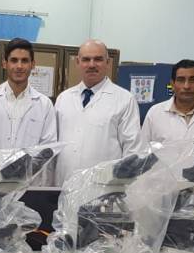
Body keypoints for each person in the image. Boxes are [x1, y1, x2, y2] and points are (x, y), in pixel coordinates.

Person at [54, 39, 143, 186]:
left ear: (108, 62)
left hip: (103, 189)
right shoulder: (63, 98)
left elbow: (133, 151)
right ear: (77, 62)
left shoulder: (125, 100)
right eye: (86, 59)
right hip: (63, 185)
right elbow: (54, 147)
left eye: (98, 59)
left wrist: (120, 188)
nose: (92, 65)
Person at [0, 38, 57, 151]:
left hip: (30, 164)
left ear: (32, 64)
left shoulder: (44, 105)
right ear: (4, 63)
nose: (19, 66)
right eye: (14, 60)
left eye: (24, 61)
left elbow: (48, 148)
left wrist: (27, 162)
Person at [141, 59, 194, 144]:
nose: (186, 86)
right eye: (181, 80)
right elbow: (143, 149)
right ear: (172, 84)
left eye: (192, 80)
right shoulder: (155, 113)